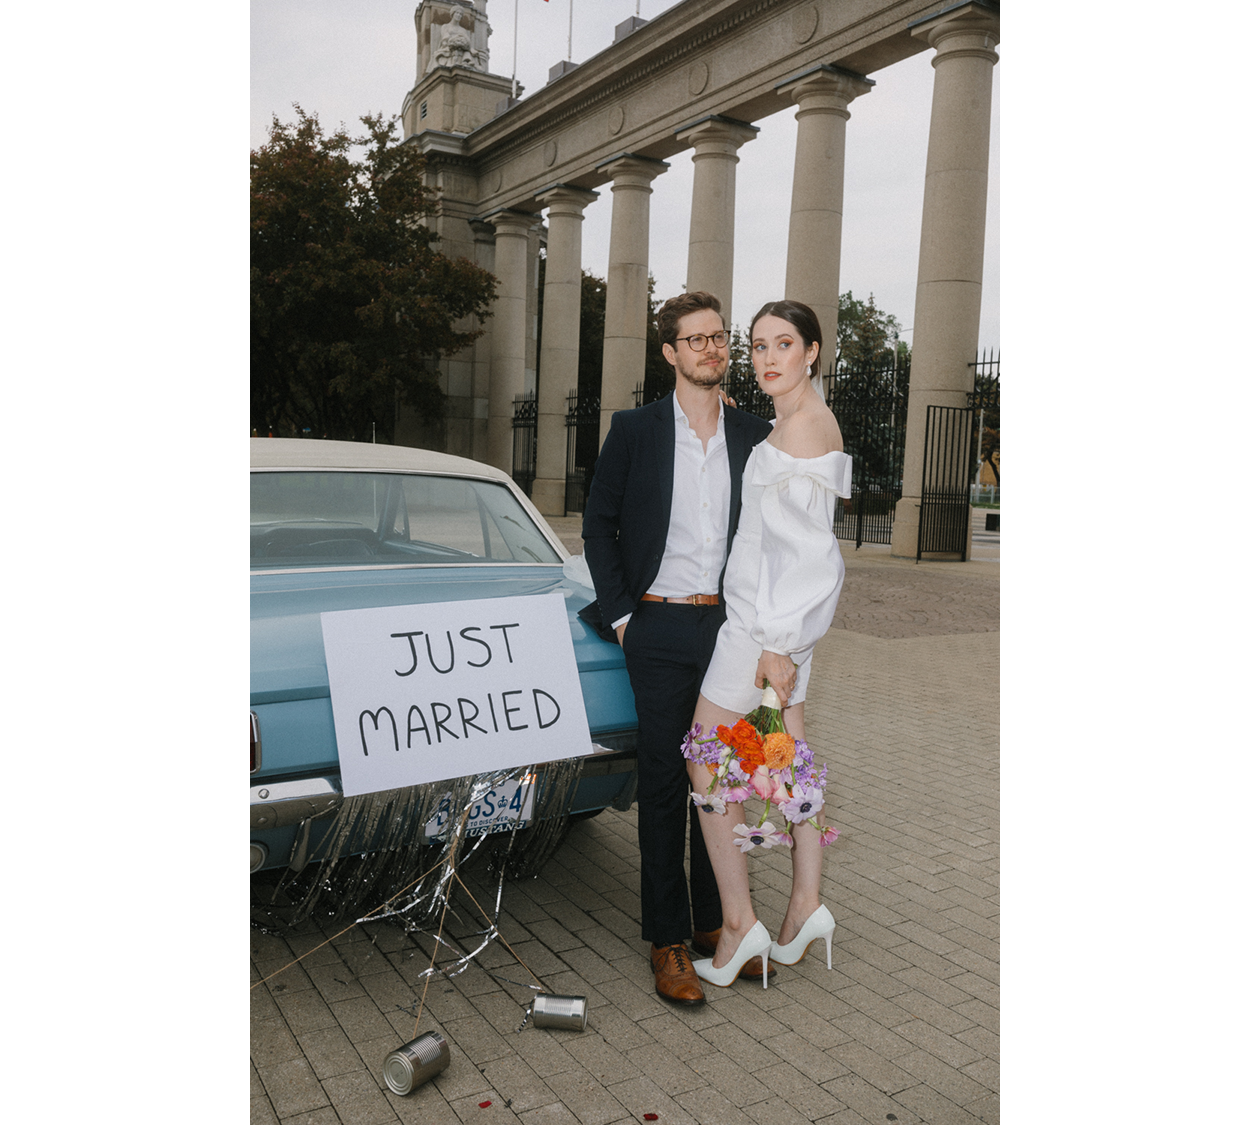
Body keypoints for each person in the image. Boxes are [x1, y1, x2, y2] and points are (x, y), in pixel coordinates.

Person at [581, 291, 773, 1006]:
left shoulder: (756, 433)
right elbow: (599, 527)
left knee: (719, 777)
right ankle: (665, 937)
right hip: (656, 626)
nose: (711, 350)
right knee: (665, 781)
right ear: (669, 352)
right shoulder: (633, 430)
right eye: (694, 340)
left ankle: (713, 922)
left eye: (718, 338)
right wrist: (627, 617)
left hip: (727, 626)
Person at [684, 299, 853, 988]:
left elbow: (812, 557)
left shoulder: (805, 429)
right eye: (756, 346)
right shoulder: (792, 421)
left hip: (761, 629)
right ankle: (805, 903)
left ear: (812, 351)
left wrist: (778, 643)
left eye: (783, 344)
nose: (767, 358)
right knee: (786, 759)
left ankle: (737, 923)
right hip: (778, 629)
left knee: (704, 760)